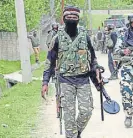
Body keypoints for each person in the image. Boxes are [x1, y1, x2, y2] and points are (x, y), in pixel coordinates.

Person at [41, 6, 101, 138]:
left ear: (78, 20)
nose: (72, 20)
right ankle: (72, 135)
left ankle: (75, 133)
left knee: (87, 111)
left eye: (75, 17)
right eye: (69, 17)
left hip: (83, 79)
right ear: (64, 19)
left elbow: (92, 58)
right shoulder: (57, 38)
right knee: (68, 115)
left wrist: (96, 72)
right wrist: (45, 82)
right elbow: (49, 62)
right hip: (65, 80)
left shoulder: (85, 37)